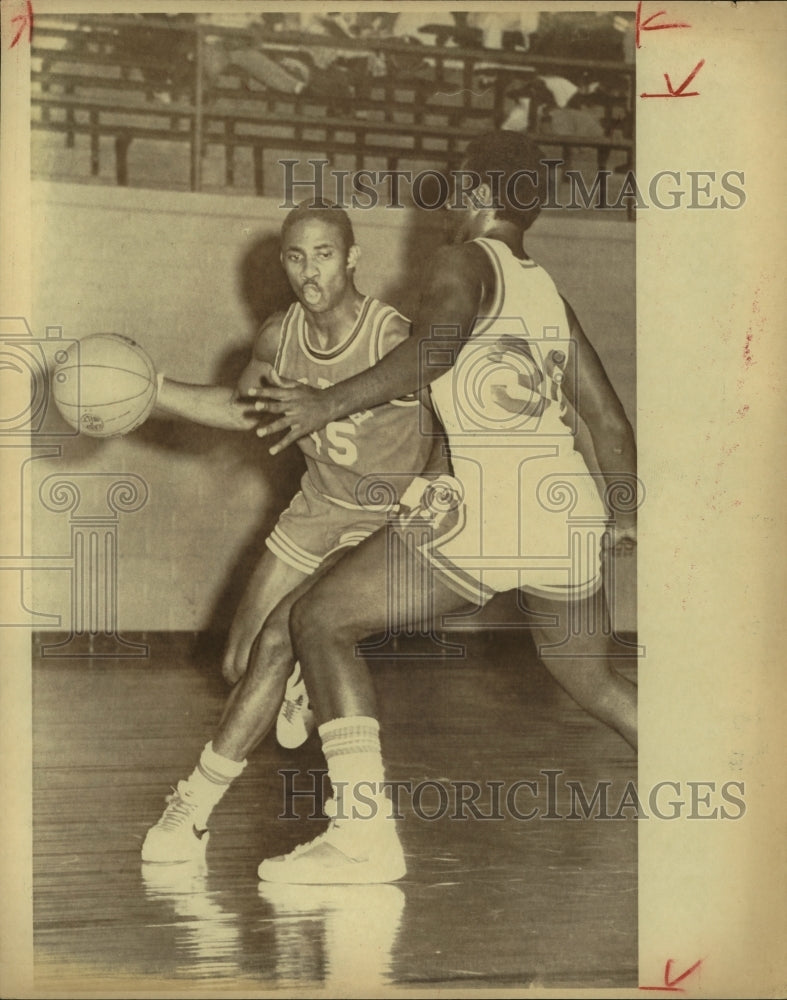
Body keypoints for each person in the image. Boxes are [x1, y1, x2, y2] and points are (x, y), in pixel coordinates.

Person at [249, 130, 638, 885]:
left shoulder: (461, 261)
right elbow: (608, 422)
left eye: (460, 186)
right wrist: (622, 513)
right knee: (590, 681)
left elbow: (434, 351)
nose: (450, 200)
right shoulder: (545, 292)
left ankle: (363, 839)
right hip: (565, 512)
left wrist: (323, 403)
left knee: (320, 620)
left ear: (482, 197)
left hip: (495, 505)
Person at [141, 200, 441, 864]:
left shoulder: (392, 336)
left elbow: (452, 417)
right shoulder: (279, 337)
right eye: (296, 256)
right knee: (238, 664)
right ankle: (301, 674)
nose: (311, 270)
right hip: (317, 507)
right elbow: (249, 411)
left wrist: (433, 493)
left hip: (381, 519)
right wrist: (154, 391)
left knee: (283, 636)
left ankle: (190, 814)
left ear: (352, 257)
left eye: (325, 254)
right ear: (283, 262)